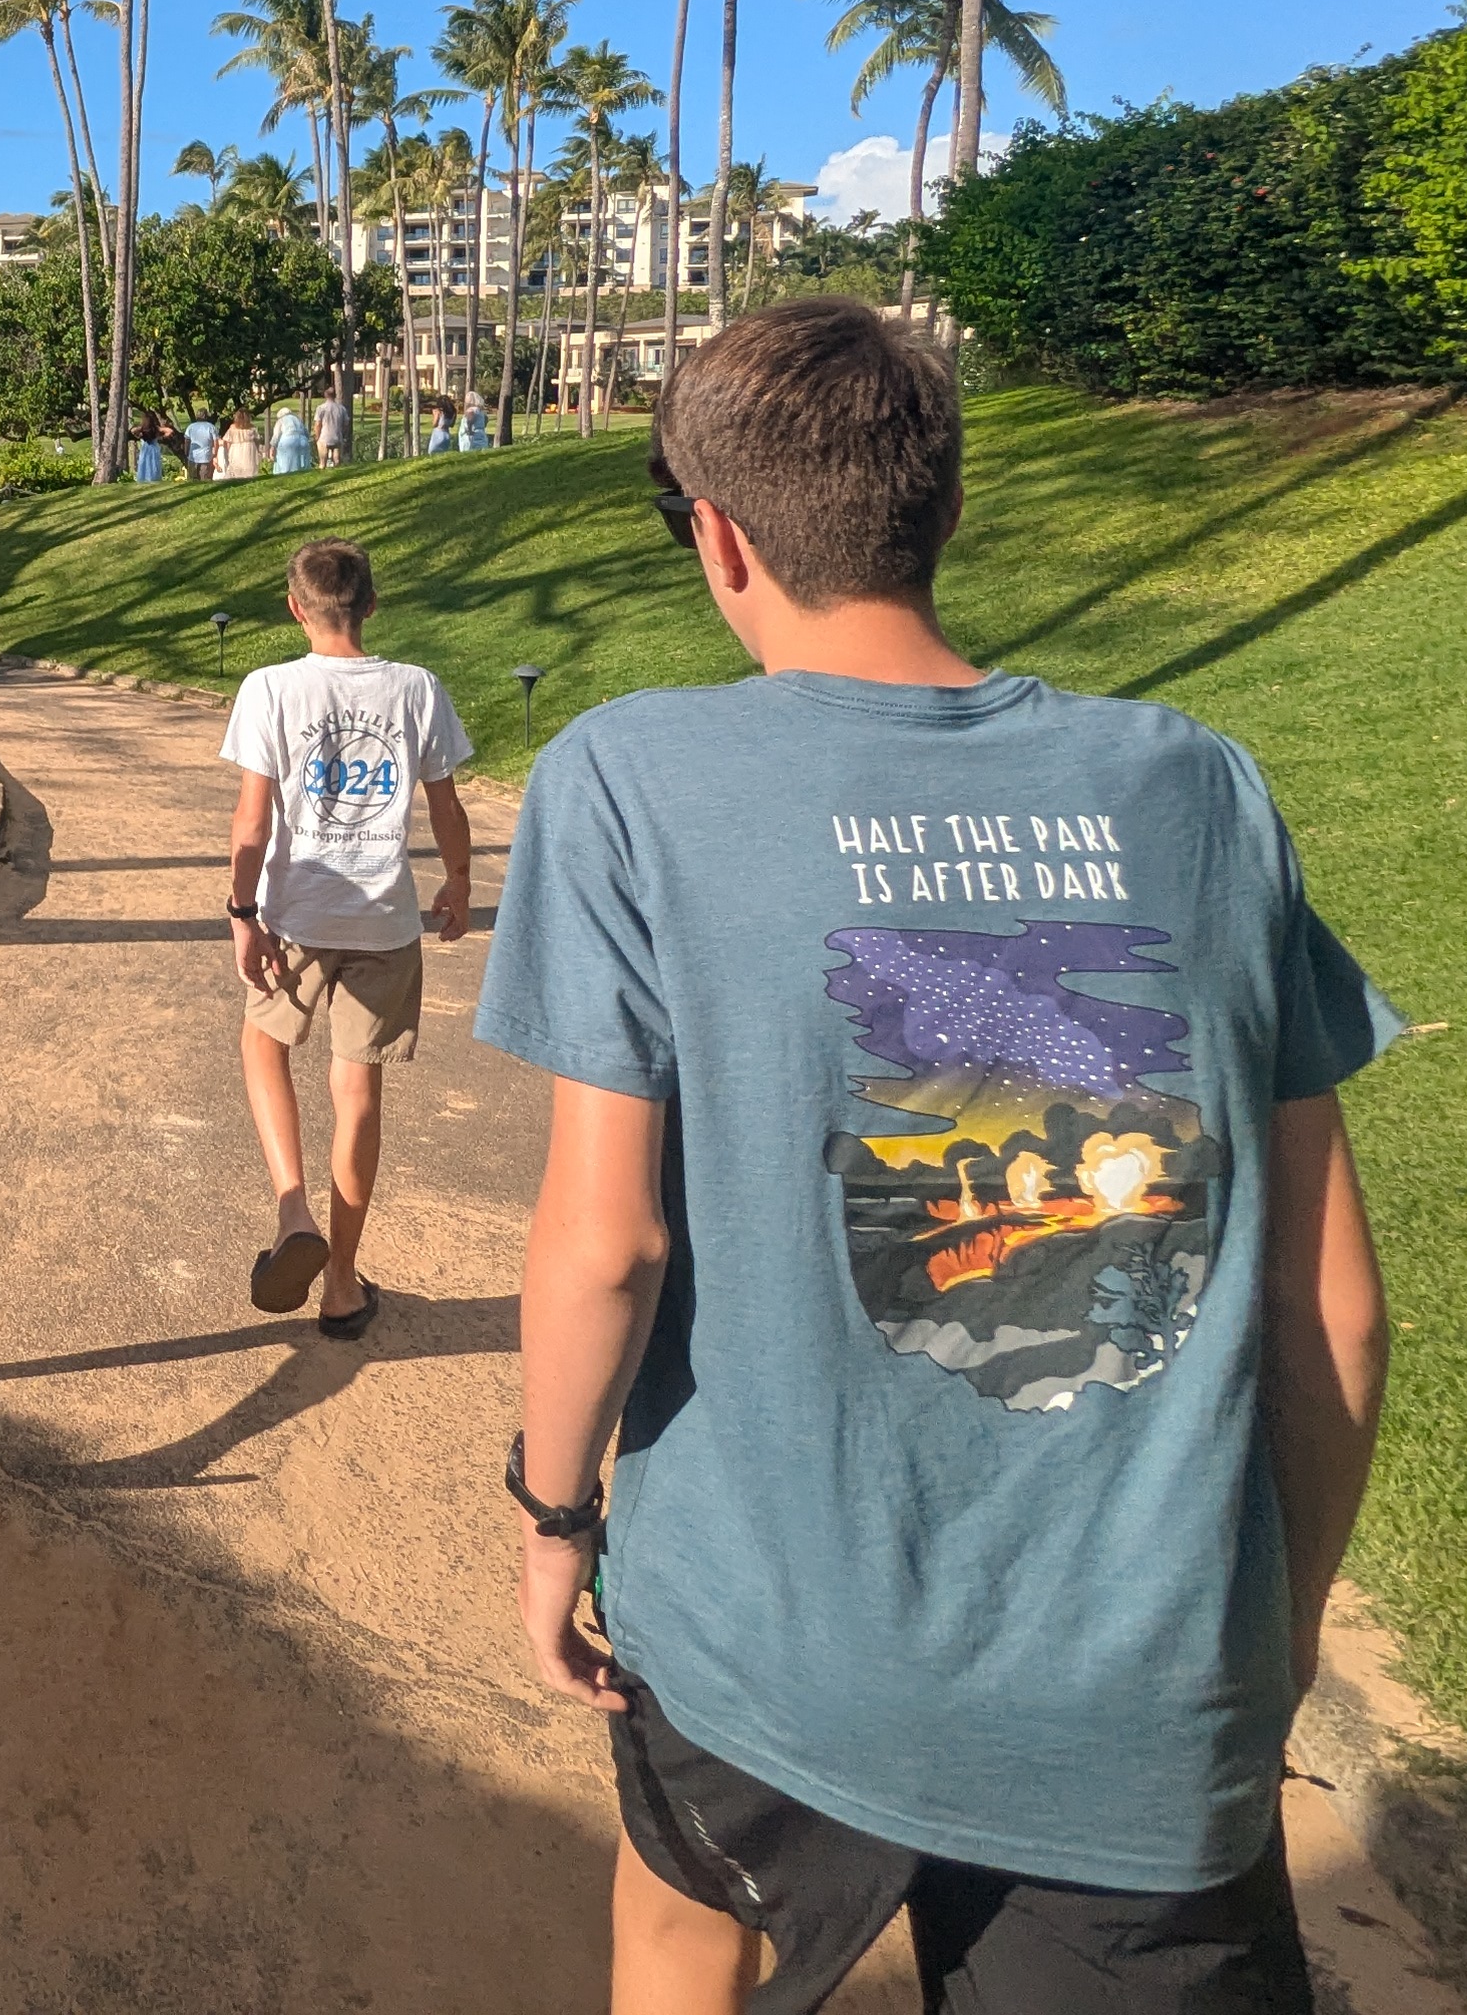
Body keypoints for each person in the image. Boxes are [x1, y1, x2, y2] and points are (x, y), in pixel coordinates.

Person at [476, 299, 1395, 2015]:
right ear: (944, 505)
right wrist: (1272, 1638)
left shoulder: (626, 773)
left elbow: (606, 1242)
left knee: (688, 1942)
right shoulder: (1198, 786)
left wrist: (551, 1514)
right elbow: (1330, 1307)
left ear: (718, 533)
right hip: (1134, 1675)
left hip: (763, 1637)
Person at [220, 540, 474, 1335]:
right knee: (356, 1088)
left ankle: (294, 1209)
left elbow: (253, 820)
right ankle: (340, 1284)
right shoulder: (417, 688)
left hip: (296, 913)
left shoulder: (270, 688)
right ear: (371, 604)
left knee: (264, 1047)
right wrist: (460, 879)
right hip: (385, 920)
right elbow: (444, 804)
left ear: (295, 608)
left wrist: (241, 911)